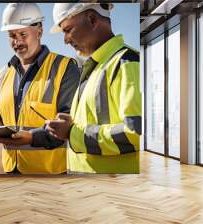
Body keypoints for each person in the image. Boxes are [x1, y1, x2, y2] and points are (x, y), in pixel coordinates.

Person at [0, 3, 80, 174]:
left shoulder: (65, 68)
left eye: (22, 34)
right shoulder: (2, 75)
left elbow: (70, 124)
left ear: (39, 30)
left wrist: (31, 138)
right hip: (12, 171)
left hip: (52, 173)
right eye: (12, 35)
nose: (17, 41)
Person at [46, 3, 142, 173]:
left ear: (91, 19)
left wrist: (72, 133)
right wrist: (72, 124)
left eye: (68, 30)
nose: (65, 40)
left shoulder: (127, 63)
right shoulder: (96, 67)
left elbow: (136, 134)